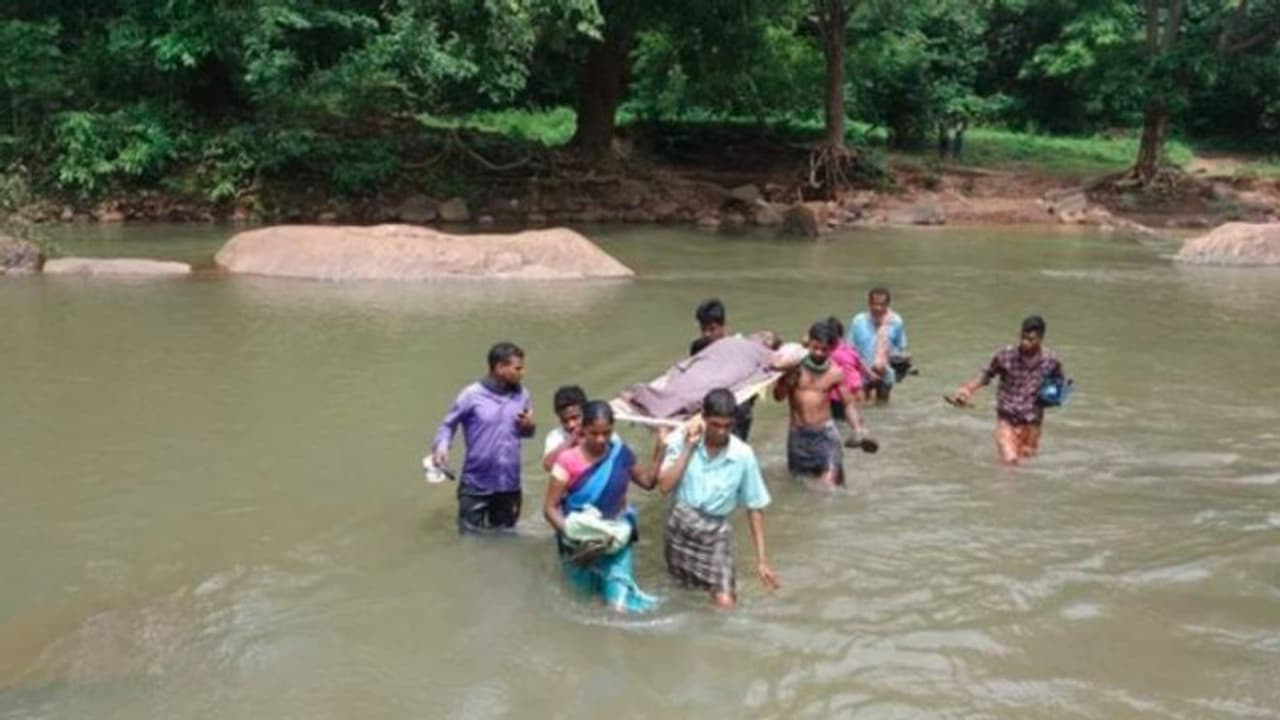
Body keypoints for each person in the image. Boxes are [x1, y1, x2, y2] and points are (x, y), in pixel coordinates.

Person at [658, 389, 778, 609]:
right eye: (715, 425)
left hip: (715, 532)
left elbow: (755, 507)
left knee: (725, 601)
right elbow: (664, 487)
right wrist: (689, 447)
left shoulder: (742, 455)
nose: (721, 432)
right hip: (680, 526)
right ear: (703, 418)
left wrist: (762, 560)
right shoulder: (682, 439)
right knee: (682, 594)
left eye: (727, 426)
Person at [543, 401, 664, 613]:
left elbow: (647, 482)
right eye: (594, 433)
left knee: (618, 608)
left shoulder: (620, 454)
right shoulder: (567, 460)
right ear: (582, 430)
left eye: (606, 433)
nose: (601, 440)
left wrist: (660, 450)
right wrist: (574, 537)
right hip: (579, 545)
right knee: (583, 604)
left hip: (615, 539)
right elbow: (550, 508)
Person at [432, 342, 537, 533]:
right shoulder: (471, 395)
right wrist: (442, 447)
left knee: (506, 539)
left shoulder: (522, 395)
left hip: (509, 485)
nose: (523, 372)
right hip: (476, 485)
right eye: (517, 368)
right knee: (469, 540)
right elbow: (447, 426)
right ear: (499, 368)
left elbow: (528, 433)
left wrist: (529, 426)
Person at [948, 315, 1066, 465]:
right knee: (1010, 461)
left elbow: (1060, 383)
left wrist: (1053, 396)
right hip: (1007, 417)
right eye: (1023, 337)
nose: (1025, 343)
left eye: (1031, 339)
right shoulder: (1006, 356)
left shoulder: (1052, 360)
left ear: (1041, 339)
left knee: (1027, 460)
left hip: (1033, 421)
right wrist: (967, 390)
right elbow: (986, 375)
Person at [775, 321, 877, 487]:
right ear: (809, 343)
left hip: (825, 436)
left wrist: (858, 429)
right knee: (799, 485)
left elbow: (848, 404)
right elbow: (778, 397)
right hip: (798, 436)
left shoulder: (835, 372)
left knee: (829, 488)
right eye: (815, 347)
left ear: (831, 349)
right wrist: (786, 382)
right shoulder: (794, 368)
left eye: (824, 350)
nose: (818, 353)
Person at [626, 331, 792, 420]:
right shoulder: (762, 352)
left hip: (716, 369)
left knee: (692, 382)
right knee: (705, 387)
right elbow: (780, 362)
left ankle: (654, 397)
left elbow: (697, 358)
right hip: (721, 372)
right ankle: (666, 403)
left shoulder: (729, 341)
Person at [689, 298, 756, 440]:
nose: (707, 334)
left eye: (712, 329)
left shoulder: (741, 348)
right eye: (703, 329)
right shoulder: (698, 347)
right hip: (708, 410)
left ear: (723, 326)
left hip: (737, 412)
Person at [849, 287, 908, 403]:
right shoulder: (858, 321)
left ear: (888, 304)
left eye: (882, 304)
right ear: (869, 303)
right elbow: (850, 349)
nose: (878, 308)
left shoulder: (896, 322)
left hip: (886, 373)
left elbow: (901, 347)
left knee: (883, 406)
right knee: (862, 406)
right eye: (875, 304)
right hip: (862, 373)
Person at [824, 316, 868, 422]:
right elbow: (862, 368)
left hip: (837, 397)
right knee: (856, 420)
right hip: (856, 391)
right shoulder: (851, 350)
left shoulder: (827, 354)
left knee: (838, 424)